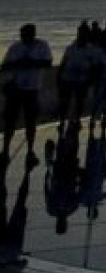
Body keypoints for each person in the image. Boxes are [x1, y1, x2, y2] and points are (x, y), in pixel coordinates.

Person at [2, 24, 52, 168]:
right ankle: (5, 149)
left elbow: (47, 62)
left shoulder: (42, 46)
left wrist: (31, 63)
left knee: (30, 121)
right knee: (10, 120)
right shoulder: (15, 47)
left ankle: (30, 150)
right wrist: (17, 64)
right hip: (15, 88)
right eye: (22, 34)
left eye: (26, 34)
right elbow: (4, 66)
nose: (23, 37)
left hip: (32, 89)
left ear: (33, 34)